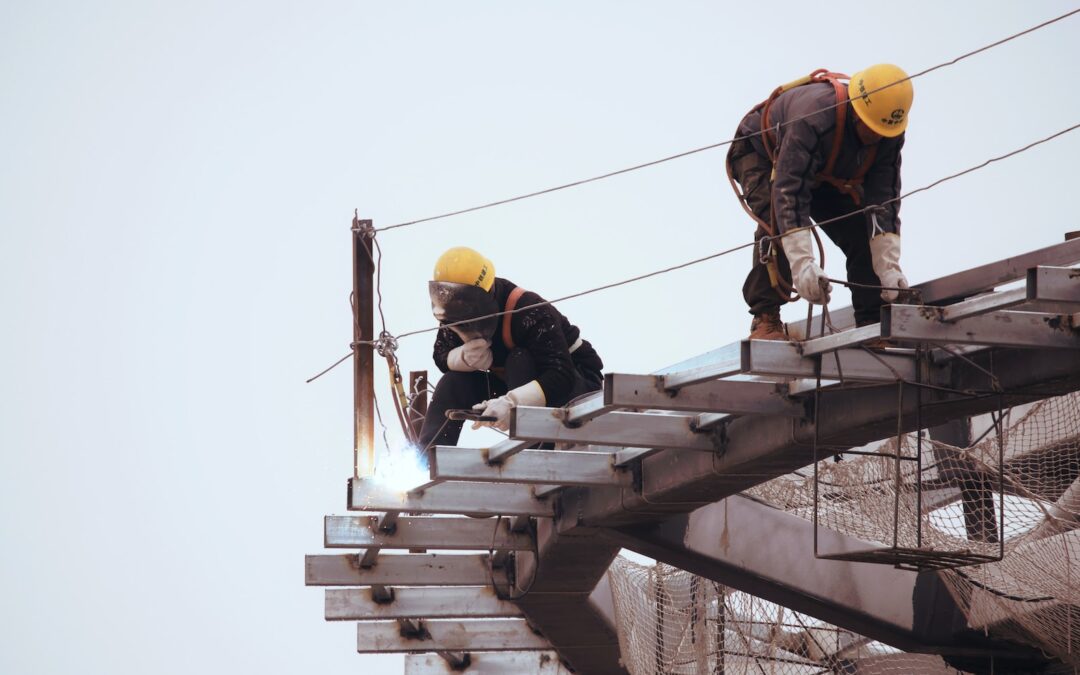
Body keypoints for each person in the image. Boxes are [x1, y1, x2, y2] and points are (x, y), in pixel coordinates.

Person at [727, 64, 914, 341]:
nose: (875, 137)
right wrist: (803, 266)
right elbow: (789, 195)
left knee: (860, 233)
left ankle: (872, 322)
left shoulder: (888, 131)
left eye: (881, 133)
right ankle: (765, 318)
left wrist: (888, 267)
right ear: (856, 111)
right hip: (762, 153)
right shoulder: (814, 118)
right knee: (776, 221)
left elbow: (882, 201)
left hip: (822, 168)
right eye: (870, 129)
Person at [416, 246, 604, 464]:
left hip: (576, 386)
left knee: (519, 359)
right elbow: (440, 355)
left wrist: (511, 402)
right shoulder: (454, 314)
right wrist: (462, 358)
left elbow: (560, 376)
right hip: (515, 385)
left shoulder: (528, 310)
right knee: (453, 383)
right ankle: (426, 464)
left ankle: (532, 457)